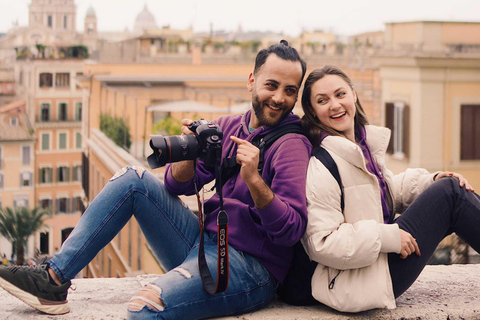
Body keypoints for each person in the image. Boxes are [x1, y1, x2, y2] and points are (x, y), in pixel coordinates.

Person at [0, 40, 311, 319]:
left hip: (249, 268)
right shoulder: (228, 126)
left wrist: (255, 181)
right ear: (251, 81)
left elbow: (290, 230)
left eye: (290, 90)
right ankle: (53, 279)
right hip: (201, 244)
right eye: (272, 85)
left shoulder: (291, 145)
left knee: (147, 306)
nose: (279, 98)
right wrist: (189, 152)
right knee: (132, 178)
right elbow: (177, 186)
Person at [299, 65, 480, 312]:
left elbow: (382, 192)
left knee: (447, 187)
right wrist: (388, 237)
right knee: (451, 193)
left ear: (353, 95)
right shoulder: (321, 164)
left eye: (340, 94)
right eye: (323, 100)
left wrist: (430, 180)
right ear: (312, 111)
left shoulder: (359, 146)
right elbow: (322, 243)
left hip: (376, 265)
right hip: (361, 279)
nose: (334, 105)